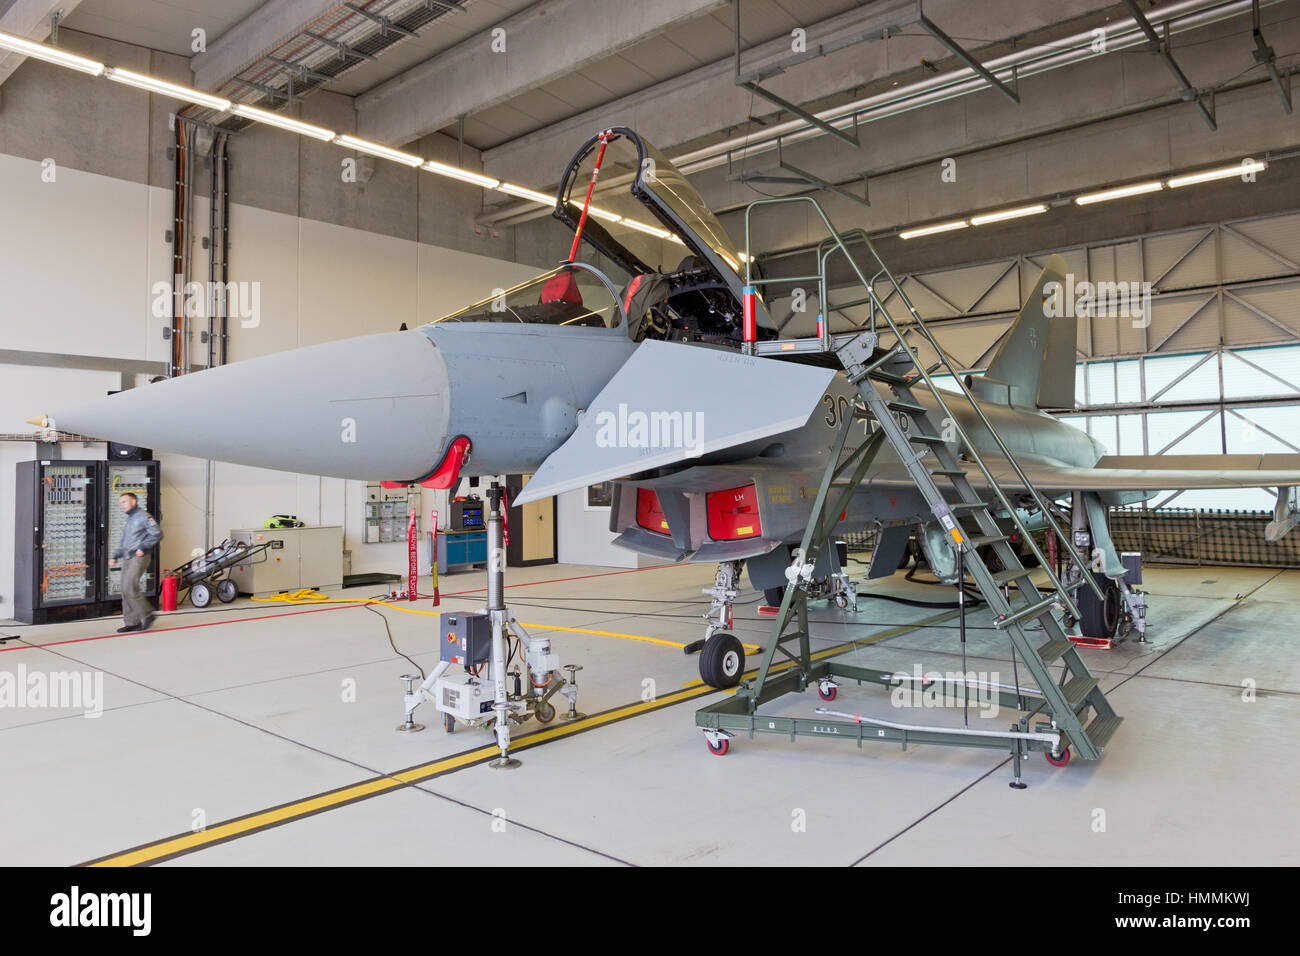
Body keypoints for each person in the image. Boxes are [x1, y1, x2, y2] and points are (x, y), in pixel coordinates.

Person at [108, 492, 163, 633]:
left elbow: (157, 533)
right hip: (127, 557)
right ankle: (132, 622)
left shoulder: (144, 516)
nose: (122, 505)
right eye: (120, 502)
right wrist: (115, 556)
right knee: (125, 590)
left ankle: (147, 614)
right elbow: (124, 542)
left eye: (124, 502)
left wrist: (143, 546)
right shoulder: (129, 520)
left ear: (133, 501)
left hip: (139, 557)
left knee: (130, 586)